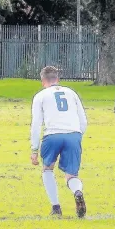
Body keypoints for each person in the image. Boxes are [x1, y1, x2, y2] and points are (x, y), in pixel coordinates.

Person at [30, 66, 88, 218]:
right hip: (73, 135)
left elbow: (36, 124)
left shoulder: (40, 96)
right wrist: (78, 135)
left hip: (52, 135)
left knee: (47, 169)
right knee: (72, 175)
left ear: (43, 81)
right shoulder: (71, 93)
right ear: (58, 79)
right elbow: (83, 120)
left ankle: (56, 208)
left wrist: (34, 149)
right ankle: (77, 191)